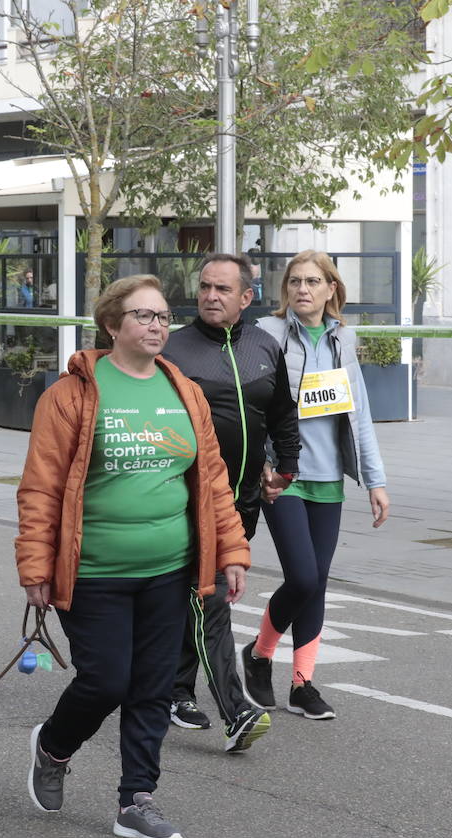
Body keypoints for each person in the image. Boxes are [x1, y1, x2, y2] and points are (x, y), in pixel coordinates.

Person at [16, 274, 250, 838]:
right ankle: (53, 745)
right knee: (105, 682)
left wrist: (232, 549)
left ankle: (136, 799)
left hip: (170, 568)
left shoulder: (183, 390)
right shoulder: (72, 394)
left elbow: (212, 479)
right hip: (94, 569)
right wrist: (35, 566)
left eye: (162, 316)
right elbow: (41, 488)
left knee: (151, 686)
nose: (157, 325)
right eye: (143, 316)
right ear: (112, 325)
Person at [160, 252, 301, 751]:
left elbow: (283, 412)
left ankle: (175, 690)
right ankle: (216, 704)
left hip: (242, 500)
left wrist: (286, 467)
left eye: (222, 289)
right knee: (209, 596)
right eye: (204, 287)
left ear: (246, 297)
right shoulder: (174, 350)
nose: (210, 296)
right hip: (185, 500)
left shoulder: (264, 347)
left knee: (203, 597)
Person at [249, 250, 390, 720]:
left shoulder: (344, 339)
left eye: (312, 282)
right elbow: (254, 402)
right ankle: (260, 653)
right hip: (281, 475)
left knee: (318, 583)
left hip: (329, 476)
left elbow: (360, 413)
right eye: (294, 282)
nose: (302, 290)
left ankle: (303, 683)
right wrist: (263, 460)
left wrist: (375, 480)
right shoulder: (266, 334)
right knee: (303, 577)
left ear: (331, 289)